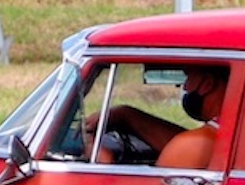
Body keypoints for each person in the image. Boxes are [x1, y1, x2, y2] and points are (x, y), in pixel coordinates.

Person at [85, 64, 225, 169]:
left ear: (207, 84)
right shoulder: (229, 133)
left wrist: (104, 165)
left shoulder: (196, 144)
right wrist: (127, 115)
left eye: (188, 77)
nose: (183, 86)